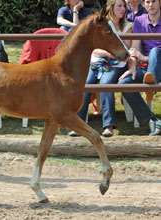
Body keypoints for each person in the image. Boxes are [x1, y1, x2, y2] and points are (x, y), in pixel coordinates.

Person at [69, 0, 133, 137]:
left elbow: (125, 50)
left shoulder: (128, 26)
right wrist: (106, 53)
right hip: (97, 62)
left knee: (105, 85)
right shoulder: (102, 24)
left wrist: (112, 54)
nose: (123, 9)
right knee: (85, 85)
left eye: (124, 6)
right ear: (111, 7)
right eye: (119, 6)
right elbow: (93, 47)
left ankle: (108, 126)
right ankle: (78, 125)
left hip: (116, 64)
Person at [118, 0, 161, 136]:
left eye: (154, 1)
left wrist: (144, 58)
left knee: (155, 51)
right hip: (147, 69)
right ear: (143, 4)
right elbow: (135, 49)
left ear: (160, 3)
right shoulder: (139, 20)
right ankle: (153, 120)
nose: (151, 4)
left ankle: (151, 83)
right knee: (123, 83)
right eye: (147, 1)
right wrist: (132, 66)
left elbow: (142, 55)